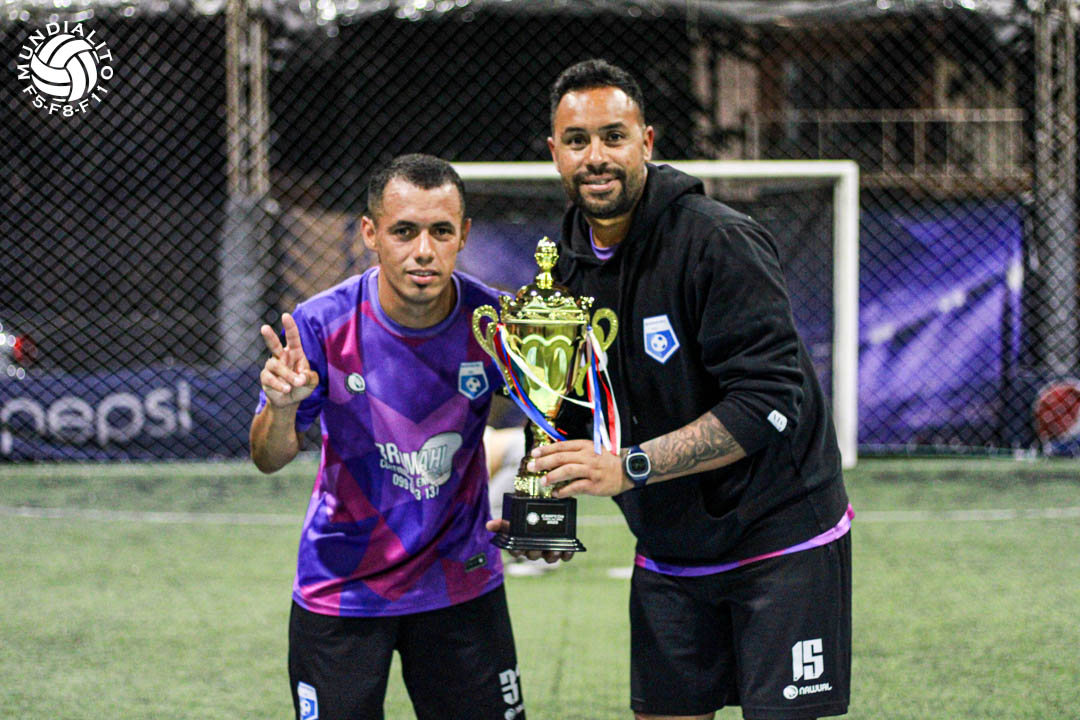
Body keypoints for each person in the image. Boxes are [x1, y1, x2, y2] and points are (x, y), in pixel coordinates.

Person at [514, 59, 853, 720]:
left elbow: (767, 403)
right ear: (555, 153)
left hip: (779, 537)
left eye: (614, 136)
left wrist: (631, 466)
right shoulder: (561, 274)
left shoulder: (719, 240)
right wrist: (541, 508)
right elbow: (572, 412)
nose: (596, 156)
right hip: (671, 547)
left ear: (646, 141)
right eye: (577, 140)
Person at [251, 153, 526, 720]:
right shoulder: (319, 324)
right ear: (371, 233)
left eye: (441, 232)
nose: (423, 250)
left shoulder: (495, 323)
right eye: (404, 231)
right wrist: (281, 409)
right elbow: (268, 458)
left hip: (460, 582)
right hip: (343, 586)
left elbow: (553, 424)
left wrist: (539, 509)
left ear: (463, 235)